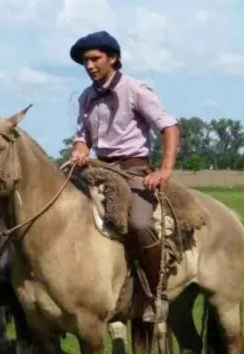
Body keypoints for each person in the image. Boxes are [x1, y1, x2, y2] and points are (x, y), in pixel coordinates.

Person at [67, 30, 180, 314]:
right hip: (98, 168)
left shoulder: (136, 90)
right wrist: (80, 150)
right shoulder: (86, 97)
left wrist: (165, 169)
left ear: (113, 58)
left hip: (133, 169)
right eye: (85, 61)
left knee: (140, 223)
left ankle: (157, 294)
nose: (89, 66)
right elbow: (82, 135)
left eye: (95, 59)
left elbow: (169, 127)